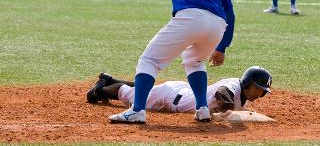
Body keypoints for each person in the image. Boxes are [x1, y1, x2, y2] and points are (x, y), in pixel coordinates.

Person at [105, 0, 235, 123]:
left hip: (191, 17)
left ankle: (137, 110)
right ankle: (202, 109)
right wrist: (222, 47)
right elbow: (230, 13)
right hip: (217, 25)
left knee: (149, 60)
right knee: (194, 61)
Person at [87, 66, 272, 115]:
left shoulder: (242, 92)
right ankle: (100, 89)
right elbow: (222, 94)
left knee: (147, 90)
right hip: (171, 99)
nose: (260, 94)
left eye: (263, 92)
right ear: (248, 82)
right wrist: (230, 113)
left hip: (182, 91)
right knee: (131, 96)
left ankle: (110, 80)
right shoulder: (232, 88)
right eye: (259, 89)